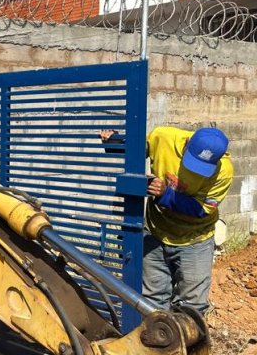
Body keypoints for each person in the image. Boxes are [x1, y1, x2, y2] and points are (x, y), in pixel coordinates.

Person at [100, 126, 233, 315]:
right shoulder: (163, 138)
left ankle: (185, 343)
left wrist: (166, 194)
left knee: (192, 307)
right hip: (156, 233)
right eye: (192, 161)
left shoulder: (224, 172)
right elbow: (136, 151)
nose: (194, 169)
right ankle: (156, 342)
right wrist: (115, 142)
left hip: (195, 241)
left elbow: (200, 210)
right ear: (187, 144)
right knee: (152, 299)